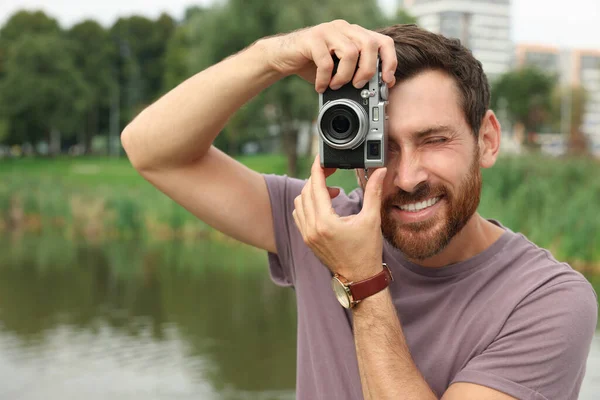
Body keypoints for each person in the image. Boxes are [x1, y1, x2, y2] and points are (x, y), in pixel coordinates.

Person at [121, 20, 598, 400]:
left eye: (434, 140)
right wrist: (275, 56)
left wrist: (363, 281)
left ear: (487, 140)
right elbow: (152, 150)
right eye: (382, 147)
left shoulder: (547, 300)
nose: (408, 176)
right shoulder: (325, 226)